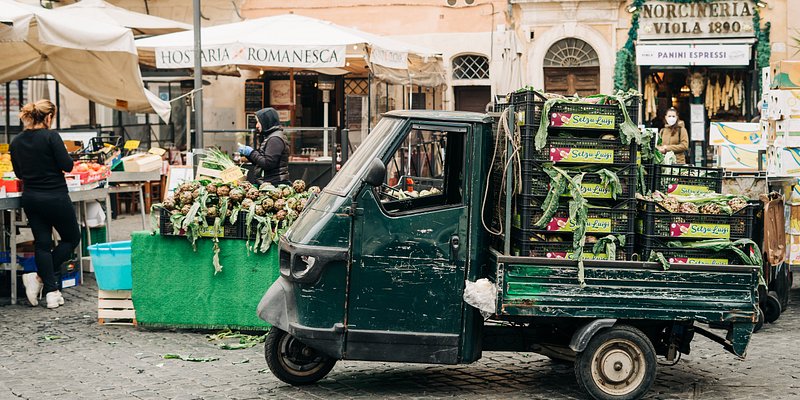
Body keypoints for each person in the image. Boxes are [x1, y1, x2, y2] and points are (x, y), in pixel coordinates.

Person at [10, 100, 80, 309]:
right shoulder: (51, 137)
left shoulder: (16, 141)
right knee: (71, 237)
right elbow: (67, 166)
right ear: (49, 117)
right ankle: (41, 279)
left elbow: (19, 174)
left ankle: (50, 291)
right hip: (55, 196)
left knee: (42, 243)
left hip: (31, 197)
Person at [237, 107, 290, 186]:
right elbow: (260, 162)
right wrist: (248, 155)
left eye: (259, 122)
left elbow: (267, 164)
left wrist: (251, 152)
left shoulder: (275, 139)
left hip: (274, 185)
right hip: (269, 183)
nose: (257, 126)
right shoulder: (271, 137)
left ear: (266, 121)